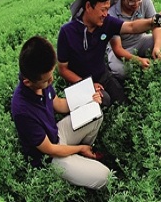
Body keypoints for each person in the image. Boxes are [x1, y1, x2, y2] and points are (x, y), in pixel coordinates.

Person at [11, 36, 110, 190]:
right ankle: (80, 154)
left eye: (51, 75)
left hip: (56, 133)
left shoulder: (41, 80)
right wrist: (80, 148)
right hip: (50, 157)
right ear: (27, 82)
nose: (51, 81)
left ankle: (81, 156)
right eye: (46, 80)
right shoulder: (22, 110)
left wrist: (88, 97)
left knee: (95, 113)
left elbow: (60, 105)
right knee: (106, 176)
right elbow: (50, 149)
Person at [57, 0, 161, 107]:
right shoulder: (67, 32)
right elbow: (63, 69)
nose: (106, 14)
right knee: (104, 101)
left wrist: (153, 21)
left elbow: (131, 27)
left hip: (102, 75)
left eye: (107, 9)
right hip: (79, 81)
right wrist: (86, 85)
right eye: (102, 10)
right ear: (88, 6)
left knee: (122, 102)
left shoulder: (106, 22)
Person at [106, 0, 161, 80]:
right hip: (122, 48)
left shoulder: (145, 0)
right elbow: (117, 49)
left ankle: (150, 57)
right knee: (122, 71)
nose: (136, 3)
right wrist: (138, 60)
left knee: (160, 42)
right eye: (131, 0)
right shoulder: (112, 14)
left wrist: (156, 47)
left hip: (140, 40)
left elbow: (156, 26)